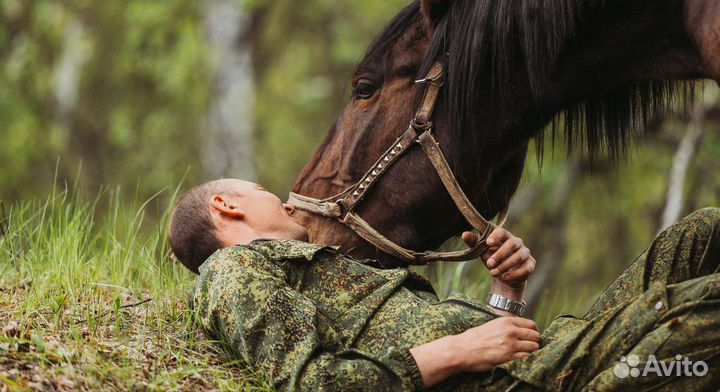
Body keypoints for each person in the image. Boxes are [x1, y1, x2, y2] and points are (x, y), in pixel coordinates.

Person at [169, 179, 720, 391]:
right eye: (266, 190)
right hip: (526, 383)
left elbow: (485, 343)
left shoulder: (298, 266)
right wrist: (458, 349)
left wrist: (506, 294)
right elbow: (315, 384)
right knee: (688, 315)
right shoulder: (234, 272)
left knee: (700, 233)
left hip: (543, 355)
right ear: (228, 204)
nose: (285, 202)